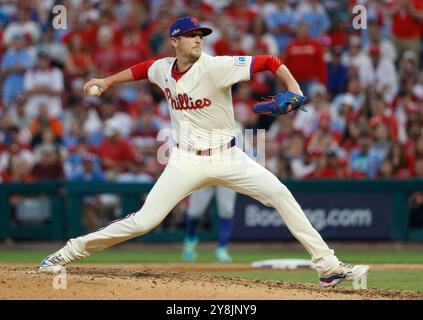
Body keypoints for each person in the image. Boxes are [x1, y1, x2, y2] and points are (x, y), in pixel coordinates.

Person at [39, 16, 369, 287]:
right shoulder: (163, 68)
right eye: (191, 35)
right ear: (175, 42)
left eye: (201, 35)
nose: (198, 40)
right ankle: (68, 252)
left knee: (281, 194)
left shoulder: (216, 67)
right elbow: (142, 70)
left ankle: (327, 266)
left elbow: (270, 61)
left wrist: (294, 88)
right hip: (184, 160)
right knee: (143, 222)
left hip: (229, 156)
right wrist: (108, 81)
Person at [182, 186, 236, 263]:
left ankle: (222, 249)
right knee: (194, 214)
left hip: (225, 177)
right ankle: (190, 242)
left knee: (226, 212)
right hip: (205, 176)